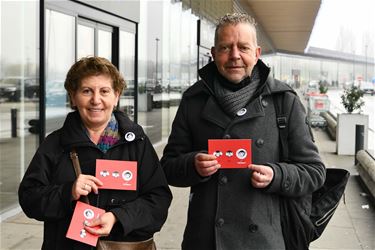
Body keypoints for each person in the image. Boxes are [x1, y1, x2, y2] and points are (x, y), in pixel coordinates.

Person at [160, 13, 326, 249]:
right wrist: (193, 164)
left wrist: (276, 175)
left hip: (264, 239)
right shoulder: (193, 100)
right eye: (226, 47)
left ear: (257, 53)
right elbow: (168, 167)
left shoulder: (283, 101)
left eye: (243, 48)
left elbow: (315, 172)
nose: (235, 56)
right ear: (214, 52)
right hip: (206, 239)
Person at [18, 56, 172, 249]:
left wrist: (118, 217)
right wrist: (68, 191)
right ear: (73, 97)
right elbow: (29, 198)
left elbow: (159, 199)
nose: (95, 100)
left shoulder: (137, 143)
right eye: (86, 91)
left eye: (104, 91)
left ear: (116, 96)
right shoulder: (55, 144)